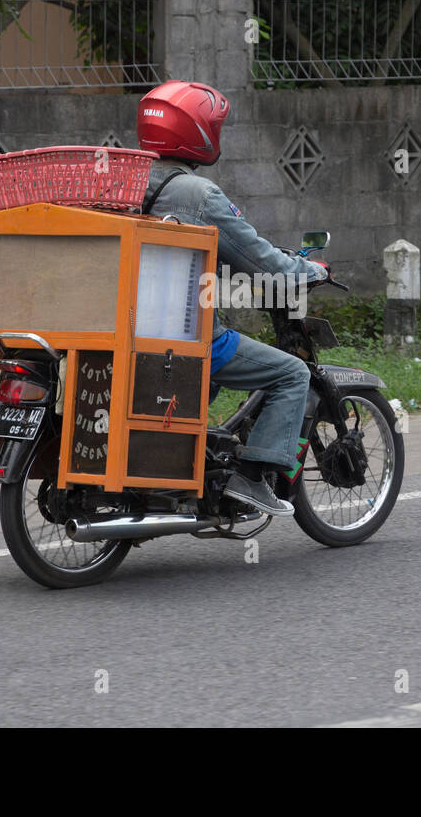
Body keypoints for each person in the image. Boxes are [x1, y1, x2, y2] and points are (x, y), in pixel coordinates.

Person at [135, 80, 328, 517]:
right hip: (185, 337)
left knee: (220, 368)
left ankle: (185, 450)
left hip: (125, 330)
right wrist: (310, 270)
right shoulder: (198, 195)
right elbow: (260, 261)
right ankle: (253, 477)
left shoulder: (124, 184)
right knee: (293, 373)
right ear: (199, 133)